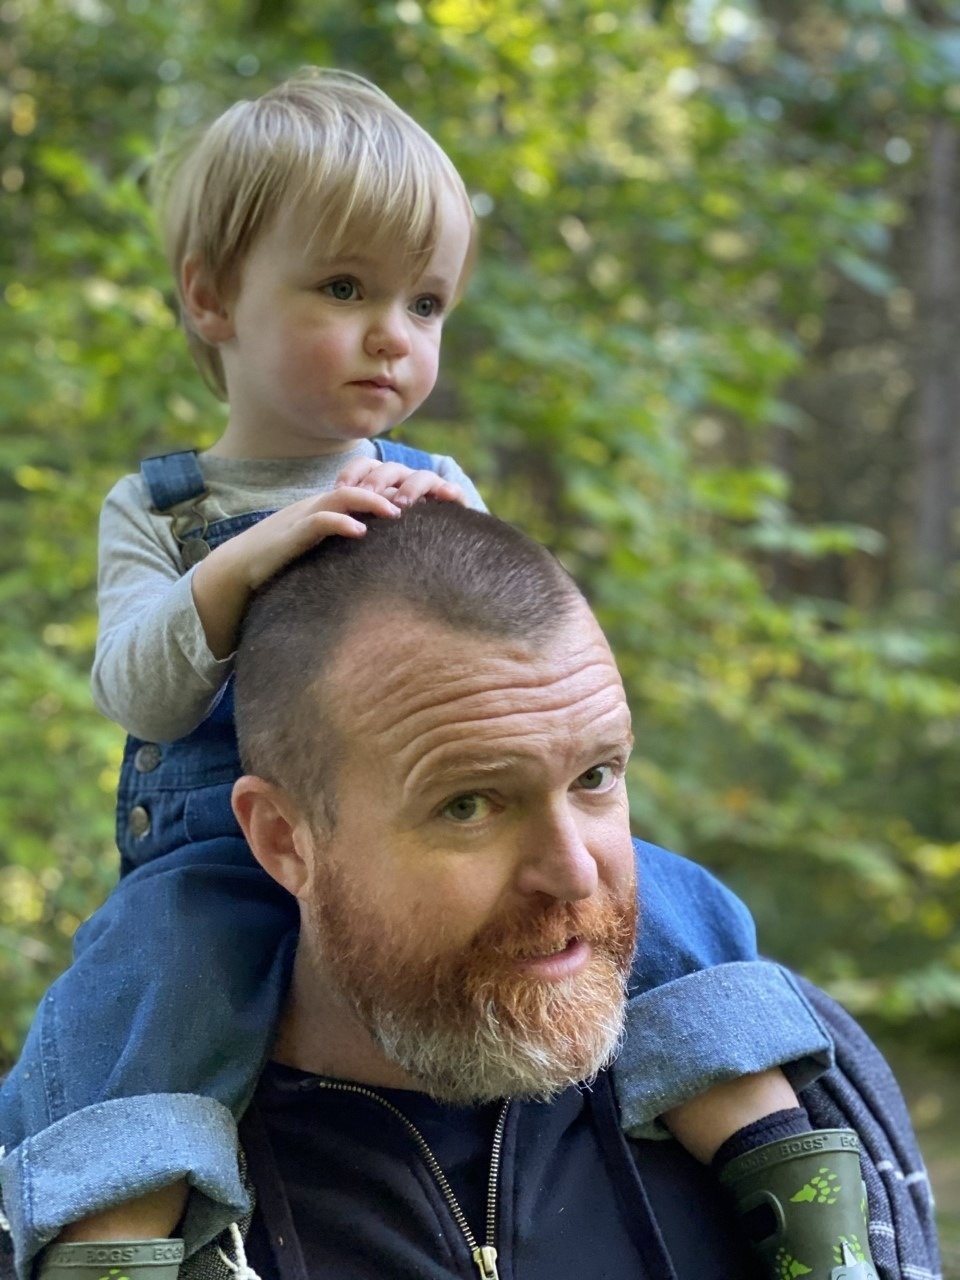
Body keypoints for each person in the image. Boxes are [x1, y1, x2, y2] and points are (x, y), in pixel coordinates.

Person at [0, 70, 859, 1280]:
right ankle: (112, 1247)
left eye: (426, 301)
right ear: (210, 296)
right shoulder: (164, 508)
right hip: (213, 854)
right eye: (345, 288)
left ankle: (794, 1181)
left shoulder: (436, 478)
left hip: (434, 837)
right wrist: (249, 560)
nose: (392, 335)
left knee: (667, 908)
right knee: (140, 1002)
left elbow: (503, 657)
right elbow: (139, 693)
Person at [19, 503, 934, 1280]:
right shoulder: (71, 1175)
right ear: (284, 840)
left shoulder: (802, 1077)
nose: (573, 870)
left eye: (596, 777)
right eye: (468, 805)